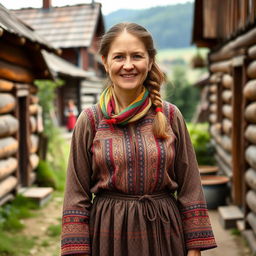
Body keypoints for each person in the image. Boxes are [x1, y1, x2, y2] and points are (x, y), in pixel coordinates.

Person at [61, 22, 217, 256]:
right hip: (108, 236)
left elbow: (191, 186)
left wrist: (194, 248)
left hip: (165, 234)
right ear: (105, 62)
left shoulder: (170, 116)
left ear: (150, 60)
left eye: (137, 56)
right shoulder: (90, 121)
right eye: (119, 57)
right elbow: (76, 195)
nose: (128, 65)